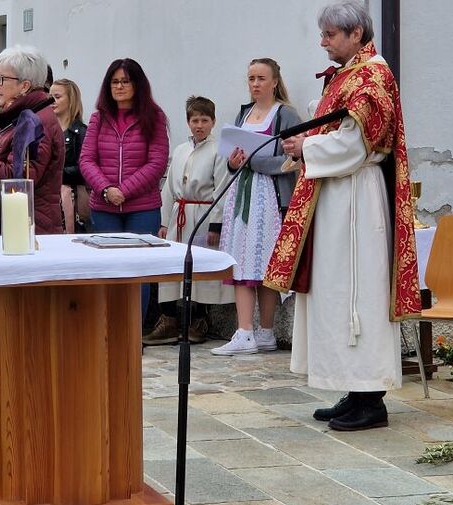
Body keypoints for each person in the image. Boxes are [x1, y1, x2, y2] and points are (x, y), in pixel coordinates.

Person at [264, 0, 421, 432]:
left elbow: (358, 145)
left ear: (356, 34)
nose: (323, 42)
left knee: (358, 294)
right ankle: (354, 390)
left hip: (356, 200)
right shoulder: (349, 74)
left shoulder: (372, 75)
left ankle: (372, 399)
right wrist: (309, 143)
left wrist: (307, 147)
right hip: (335, 195)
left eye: (330, 34)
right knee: (336, 293)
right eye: (323, 34)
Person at [211, 59, 300, 357]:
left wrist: (254, 161)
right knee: (242, 259)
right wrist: (234, 162)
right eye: (251, 78)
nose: (255, 84)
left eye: (261, 78)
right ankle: (245, 330)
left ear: (275, 82)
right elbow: (234, 157)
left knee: (264, 264)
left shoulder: (285, 114)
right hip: (243, 195)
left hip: (271, 198)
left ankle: (265, 331)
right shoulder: (244, 113)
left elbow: (293, 160)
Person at [79, 59, 169, 318]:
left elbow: (157, 162)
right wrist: (106, 189)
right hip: (104, 208)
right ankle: (109, 328)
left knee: (139, 271)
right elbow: (86, 160)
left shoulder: (154, 117)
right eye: (114, 82)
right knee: (110, 270)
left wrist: (124, 190)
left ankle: (134, 330)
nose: (119, 87)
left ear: (137, 84)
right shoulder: (98, 118)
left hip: (142, 208)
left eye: (125, 81)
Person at [145, 96, 233, 346]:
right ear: (188, 122)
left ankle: (199, 320)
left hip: (202, 214)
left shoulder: (218, 150)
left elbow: (222, 188)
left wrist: (216, 223)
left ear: (213, 121)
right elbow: (168, 189)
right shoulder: (180, 150)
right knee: (173, 267)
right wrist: (164, 221)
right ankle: (169, 320)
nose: (199, 125)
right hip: (180, 214)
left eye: (204, 120)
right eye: (195, 120)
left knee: (200, 268)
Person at [0, 46, 64, 234]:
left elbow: (16, 180)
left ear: (24, 86)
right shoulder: (17, 117)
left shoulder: (35, 122)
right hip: (11, 225)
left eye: (1, 79)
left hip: (29, 229)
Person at [49, 79, 89, 234]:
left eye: (57, 97)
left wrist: (55, 173)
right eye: (50, 97)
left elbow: (84, 168)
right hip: (51, 196)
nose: (52, 101)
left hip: (73, 197)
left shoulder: (81, 132)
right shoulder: (46, 131)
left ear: (71, 99)